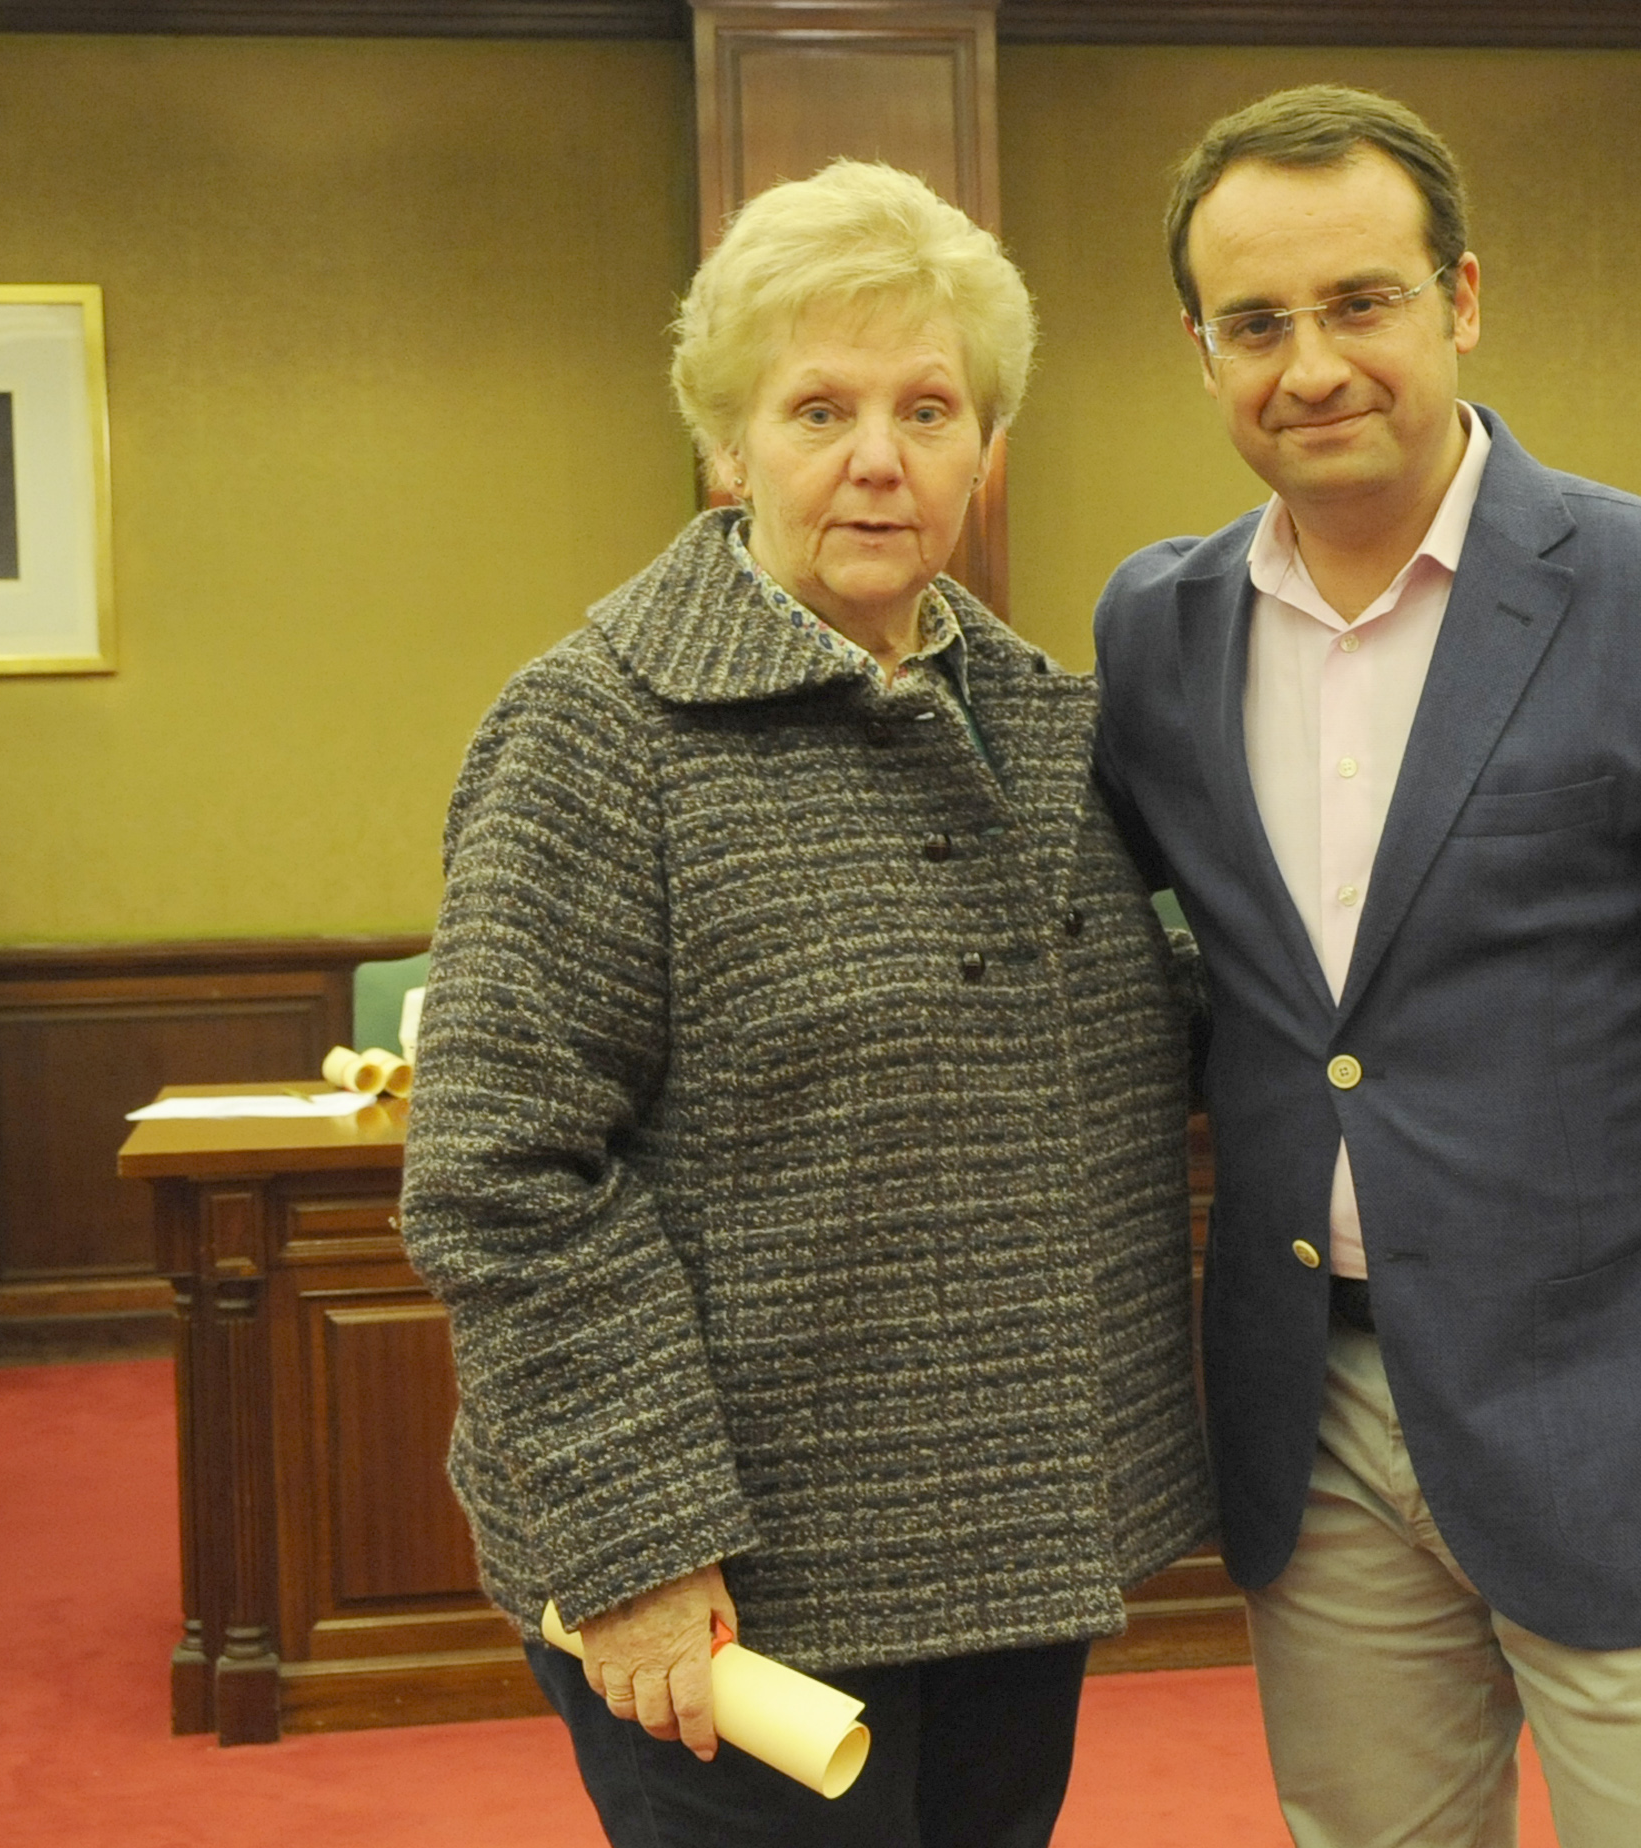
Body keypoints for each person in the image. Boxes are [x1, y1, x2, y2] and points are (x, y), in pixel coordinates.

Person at [1090, 87, 1641, 1848]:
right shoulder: (1156, 629)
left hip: (1628, 1404)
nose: (1310, 365)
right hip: (1312, 1408)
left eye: (1360, 302)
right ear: (1201, 351)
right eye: (1254, 323)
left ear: (1461, 299)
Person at [399, 158, 1209, 1848]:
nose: (877, 457)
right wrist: (638, 1542)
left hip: (1005, 1552)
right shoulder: (597, 733)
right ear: (729, 445)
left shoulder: (1040, 720)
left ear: (984, 447)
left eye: (929, 409)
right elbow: (501, 1174)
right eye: (818, 408)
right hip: (731, 1589)